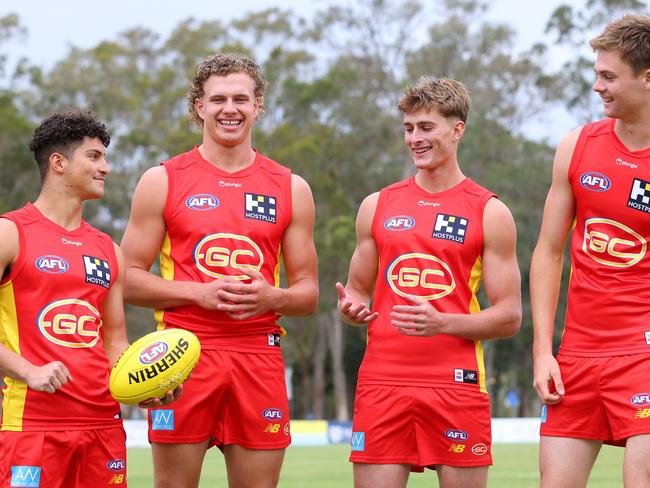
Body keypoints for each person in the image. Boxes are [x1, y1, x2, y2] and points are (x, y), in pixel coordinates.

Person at [120, 53, 318, 488]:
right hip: (182, 358)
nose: (230, 108)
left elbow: (308, 294)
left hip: (258, 356)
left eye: (241, 99)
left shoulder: (291, 187)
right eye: (219, 99)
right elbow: (126, 280)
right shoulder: (163, 179)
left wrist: (274, 297)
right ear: (200, 106)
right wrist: (199, 294)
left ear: (258, 105)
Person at [337, 78, 522, 488]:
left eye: (426, 127)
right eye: (408, 128)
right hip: (382, 383)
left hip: (456, 385)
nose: (415, 138)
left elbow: (509, 316)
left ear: (457, 130)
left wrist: (444, 323)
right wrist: (351, 308)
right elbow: (356, 293)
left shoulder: (489, 211)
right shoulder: (376, 205)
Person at [531, 14, 650, 488]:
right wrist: (544, 350)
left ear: (647, 77)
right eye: (596, 73)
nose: (597, 86)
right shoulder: (576, 146)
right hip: (576, 355)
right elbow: (547, 252)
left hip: (643, 354)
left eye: (608, 76)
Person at [0, 111, 129, 487]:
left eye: (104, 157)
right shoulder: (10, 232)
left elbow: (115, 341)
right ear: (58, 163)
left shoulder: (109, 250)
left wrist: (144, 382)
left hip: (104, 427)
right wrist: (28, 370)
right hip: (31, 427)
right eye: (93, 156)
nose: (105, 167)